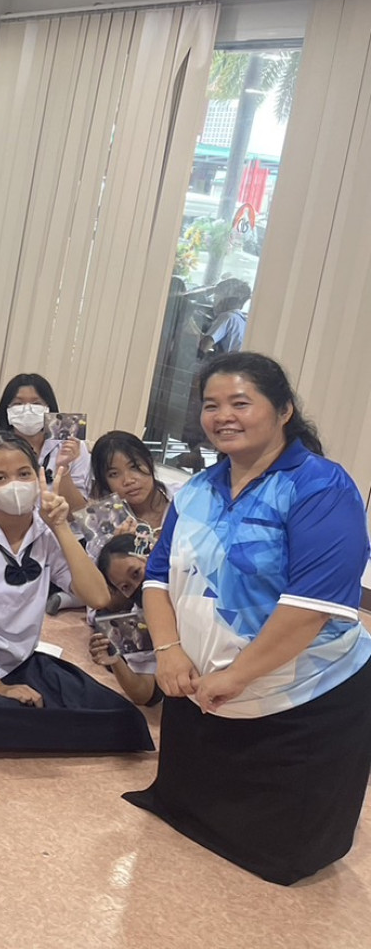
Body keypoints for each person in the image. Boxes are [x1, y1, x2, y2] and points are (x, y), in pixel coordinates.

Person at [126, 353, 371, 886]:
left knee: (278, 849)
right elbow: (159, 578)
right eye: (211, 405)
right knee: (188, 815)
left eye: (241, 403)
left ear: (283, 410)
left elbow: (312, 607)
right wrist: (168, 651)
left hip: (299, 697)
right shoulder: (197, 490)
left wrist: (237, 675)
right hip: (201, 690)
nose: (223, 417)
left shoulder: (321, 488)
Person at [0, 431, 154, 756]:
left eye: (24, 474)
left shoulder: (46, 530)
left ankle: (5, 719)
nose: (15, 484)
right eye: (0, 477)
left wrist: (61, 526)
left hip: (16, 658)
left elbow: (97, 598)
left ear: (38, 477)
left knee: (124, 720)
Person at [0, 373, 89, 513]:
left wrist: (63, 469)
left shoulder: (71, 444)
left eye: (36, 403)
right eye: (18, 404)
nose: (27, 410)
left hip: (59, 523)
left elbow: (79, 512)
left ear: (49, 408)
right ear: (7, 410)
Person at [85, 535, 160, 708]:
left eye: (136, 573)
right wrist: (116, 661)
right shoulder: (139, 623)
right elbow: (144, 694)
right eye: (125, 587)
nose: (138, 585)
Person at [88, 430, 177, 544]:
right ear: (105, 482)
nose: (128, 480)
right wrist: (115, 548)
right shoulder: (102, 520)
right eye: (114, 474)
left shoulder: (184, 497)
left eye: (134, 467)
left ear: (149, 461)